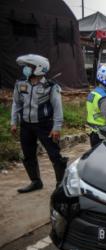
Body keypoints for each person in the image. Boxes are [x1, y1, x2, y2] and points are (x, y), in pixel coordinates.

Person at [10, 54, 68, 193]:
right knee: (28, 155)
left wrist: (57, 127)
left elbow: (57, 108)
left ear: (39, 68)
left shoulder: (51, 86)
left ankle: (60, 185)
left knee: (55, 155)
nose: (25, 69)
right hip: (26, 125)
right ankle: (35, 182)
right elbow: (16, 104)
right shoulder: (21, 84)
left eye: (28, 67)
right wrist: (13, 122)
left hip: (45, 125)